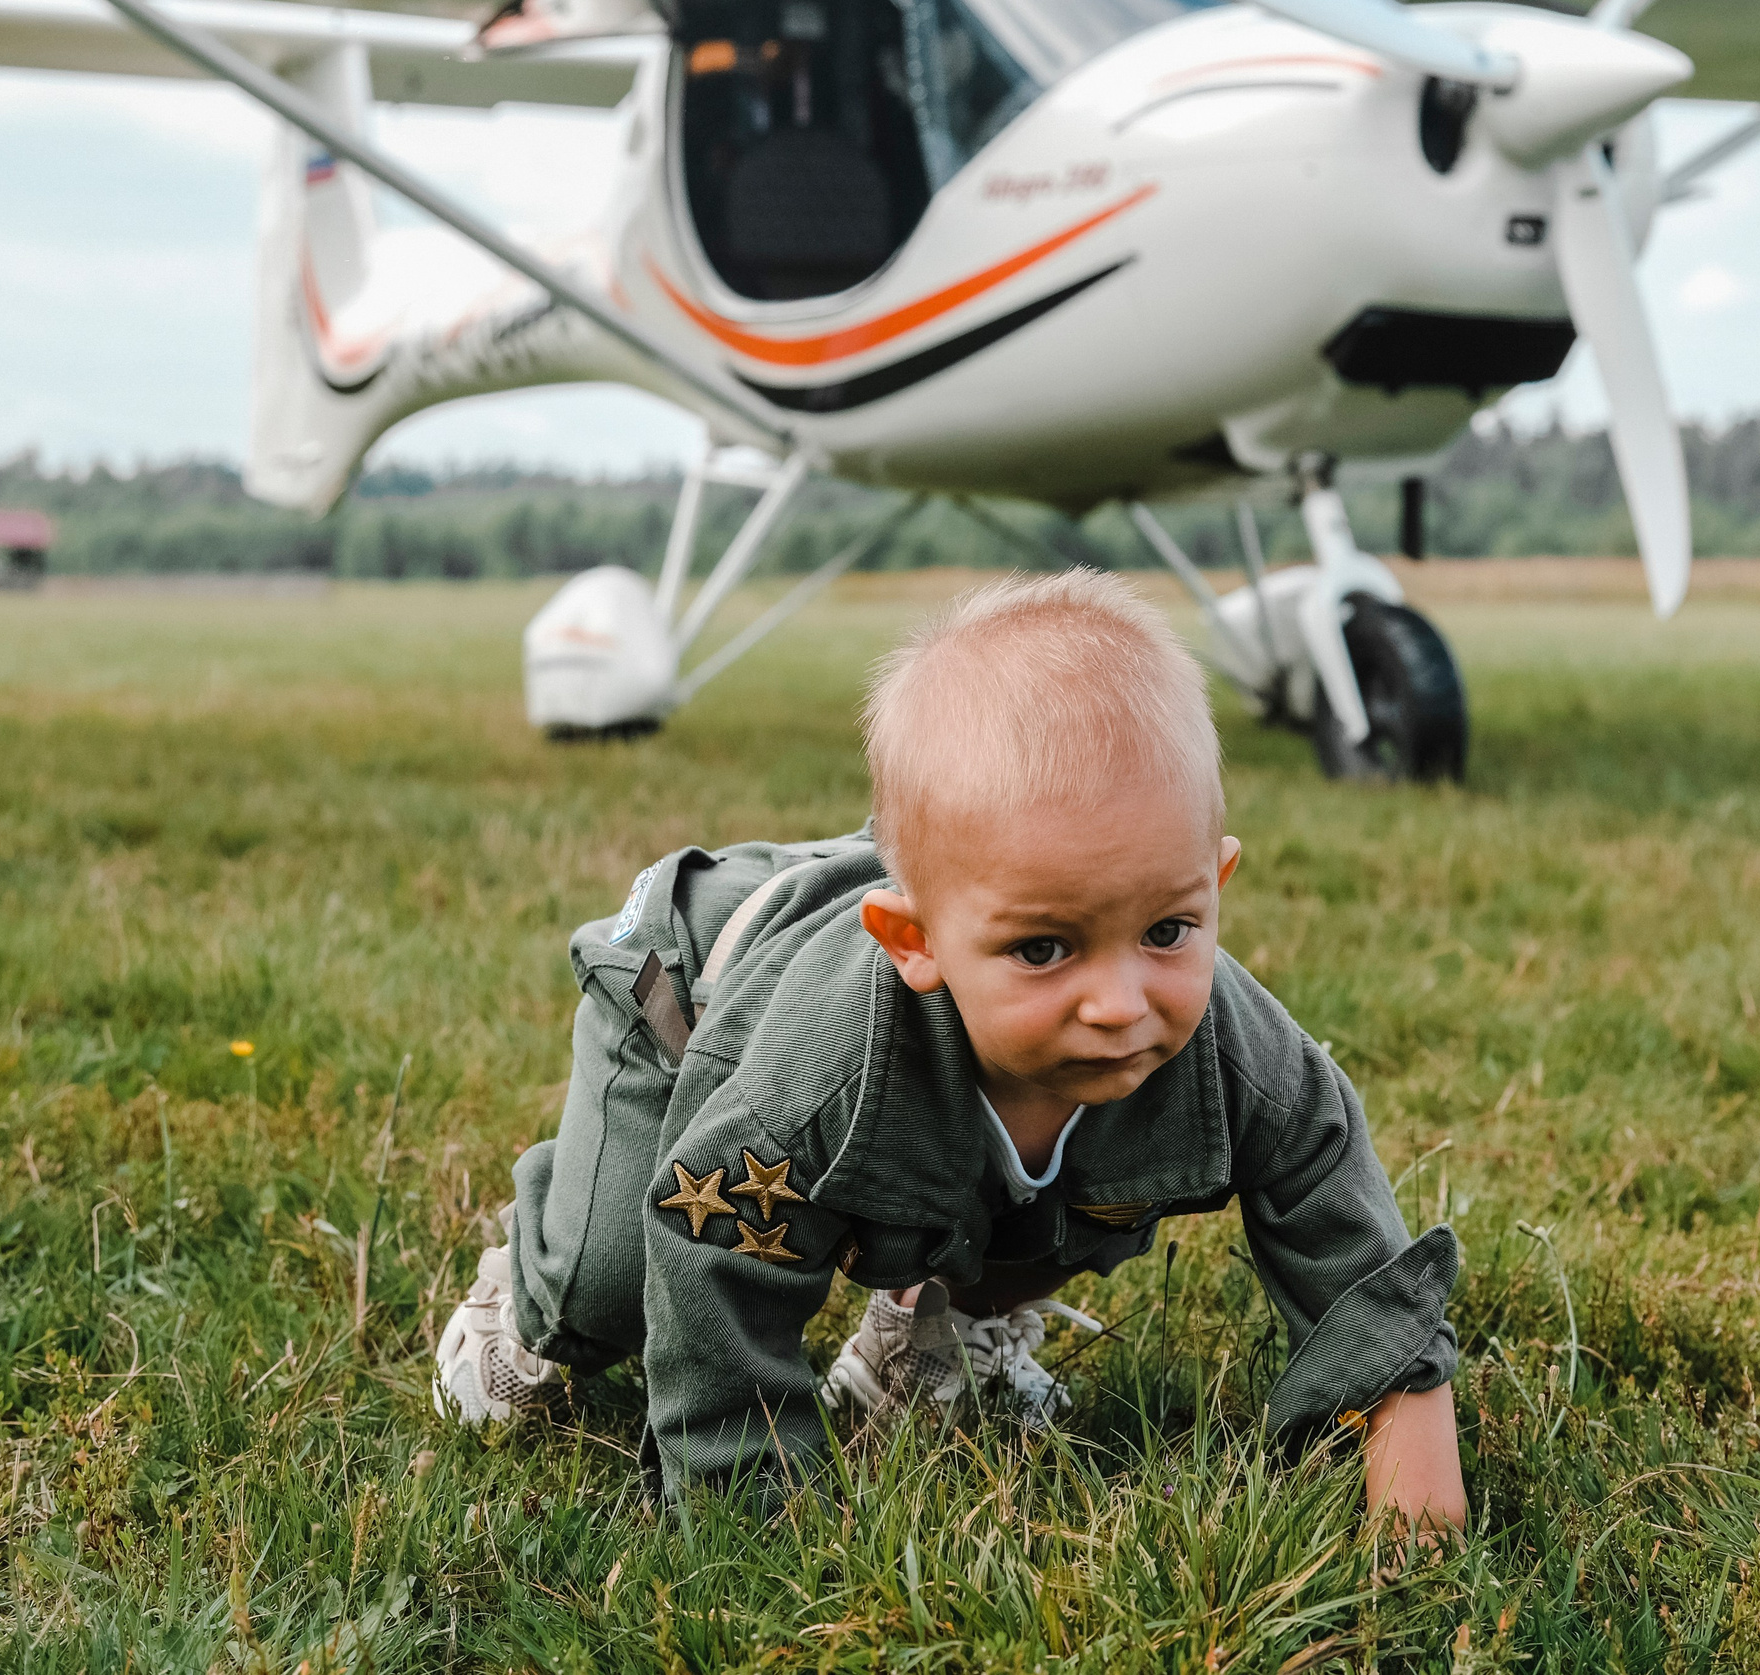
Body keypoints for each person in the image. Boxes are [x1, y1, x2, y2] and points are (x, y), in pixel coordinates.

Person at [435, 570, 1466, 1536]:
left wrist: (1412, 1477)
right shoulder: (813, 1077)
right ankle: (522, 1294)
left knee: (1074, 1183)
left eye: (1166, 931)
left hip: (925, 990)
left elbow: (1345, 1234)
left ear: (1213, 879)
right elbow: (716, 1258)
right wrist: (746, 1515)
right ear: (914, 943)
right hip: (692, 997)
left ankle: (923, 1337)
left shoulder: (1234, 1055)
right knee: (614, 1284)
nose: (1117, 1004)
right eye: (1044, 948)